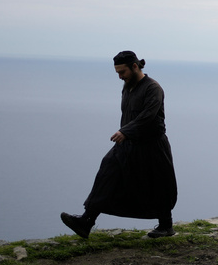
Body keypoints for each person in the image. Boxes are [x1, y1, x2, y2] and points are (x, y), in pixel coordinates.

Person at [61, 51, 178, 239]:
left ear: (134, 66)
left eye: (122, 72)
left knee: (159, 184)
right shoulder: (127, 86)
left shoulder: (153, 88)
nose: (120, 77)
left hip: (152, 145)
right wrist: (126, 133)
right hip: (128, 143)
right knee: (107, 173)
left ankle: (166, 225)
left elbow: (148, 116)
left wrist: (125, 131)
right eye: (117, 73)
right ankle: (86, 221)